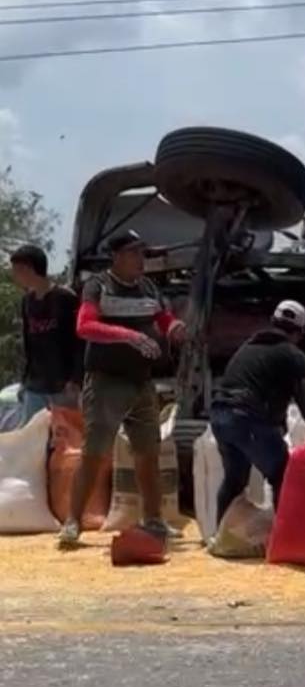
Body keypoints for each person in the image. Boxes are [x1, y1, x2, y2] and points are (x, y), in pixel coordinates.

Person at [59, 230, 185, 549]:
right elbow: (85, 326)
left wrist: (173, 328)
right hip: (106, 381)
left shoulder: (148, 287)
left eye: (142, 253)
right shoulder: (98, 286)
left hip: (141, 381)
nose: (140, 260)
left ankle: (154, 520)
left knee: (148, 453)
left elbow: (162, 316)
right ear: (116, 257)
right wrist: (128, 336)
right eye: (133, 253)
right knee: (95, 453)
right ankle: (73, 522)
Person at [210, 300, 305, 527]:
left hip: (219, 416)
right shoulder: (292, 355)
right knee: (282, 473)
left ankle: (219, 536)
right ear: (299, 332)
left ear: (272, 322)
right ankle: (285, 536)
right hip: (246, 418)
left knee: (235, 479)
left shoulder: (248, 347)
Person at [8, 244, 83, 425]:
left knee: (64, 435)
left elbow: (80, 342)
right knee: (31, 434)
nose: (15, 276)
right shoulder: (27, 301)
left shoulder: (65, 298)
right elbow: (28, 343)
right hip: (35, 385)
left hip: (62, 386)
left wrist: (76, 379)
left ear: (29, 268)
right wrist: (25, 380)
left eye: (17, 270)